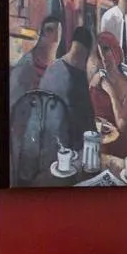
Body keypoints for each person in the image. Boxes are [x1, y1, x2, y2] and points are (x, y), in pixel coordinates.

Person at [38, 26, 96, 157]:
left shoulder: (52, 68)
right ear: (85, 53)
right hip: (67, 153)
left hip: (44, 143)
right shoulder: (77, 80)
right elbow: (89, 126)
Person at [9, 16, 62, 110]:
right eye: (50, 30)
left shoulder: (57, 69)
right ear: (42, 33)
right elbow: (14, 103)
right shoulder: (25, 68)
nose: (57, 35)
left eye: (59, 31)